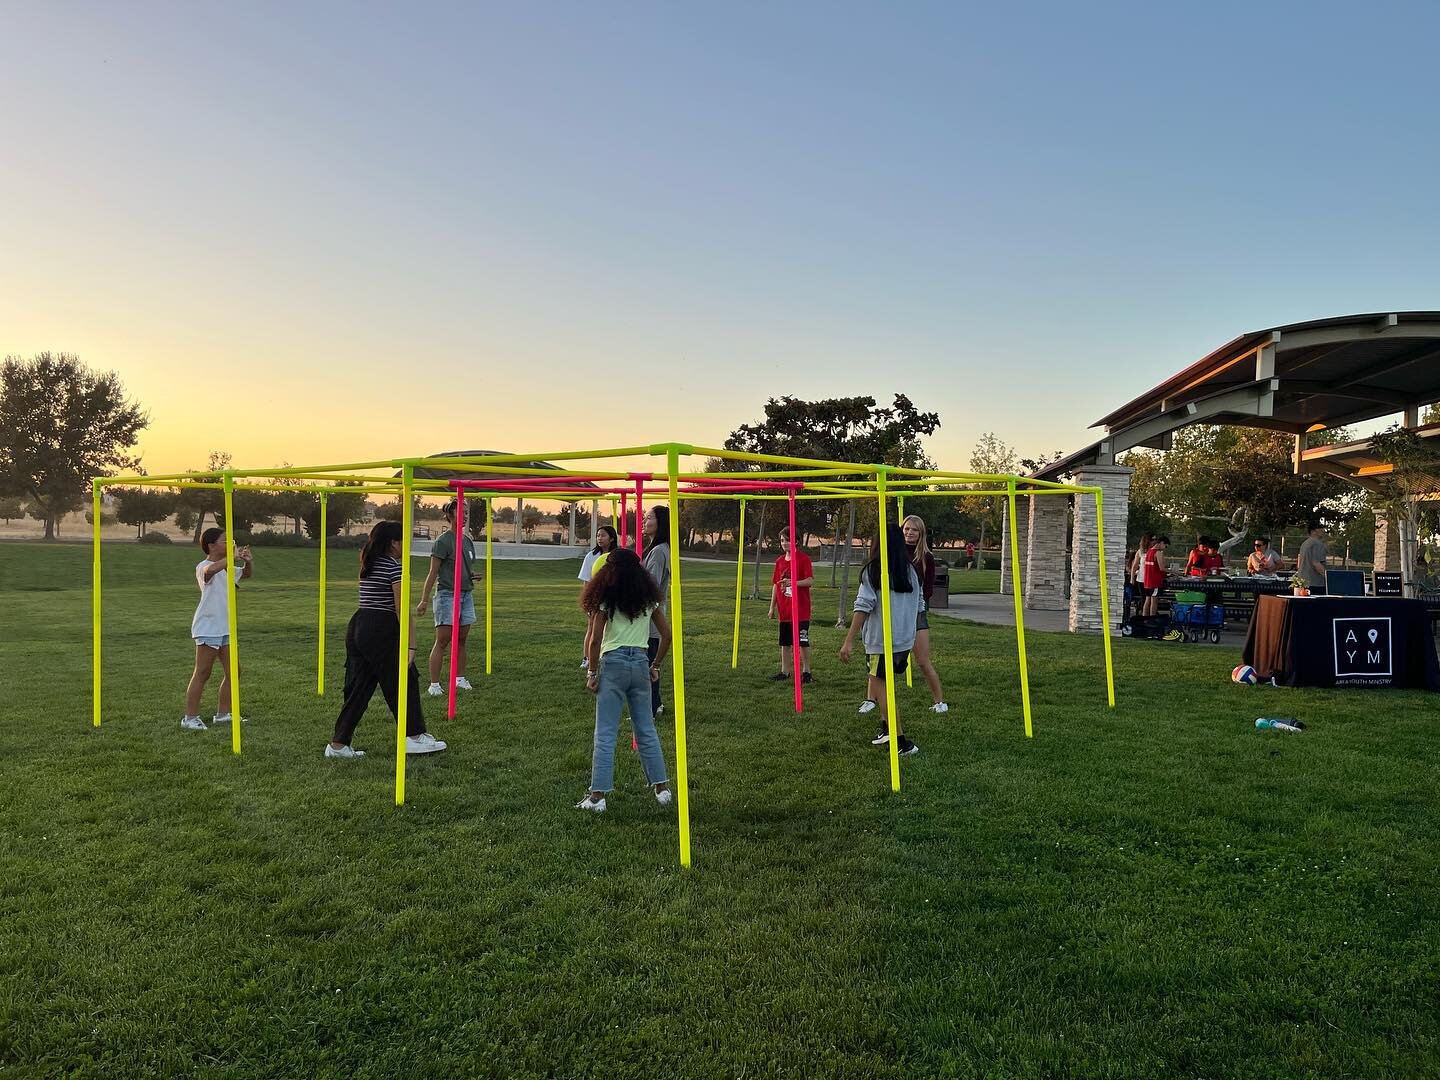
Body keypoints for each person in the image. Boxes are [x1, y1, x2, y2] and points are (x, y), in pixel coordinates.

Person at [327, 520, 447, 759]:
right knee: (405, 680)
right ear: (393, 543)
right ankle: (413, 737)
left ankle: (338, 745)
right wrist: (411, 644)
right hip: (381, 628)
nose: (407, 545)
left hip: (359, 626)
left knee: (359, 687)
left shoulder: (369, 565)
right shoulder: (394, 569)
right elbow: (402, 610)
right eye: (404, 540)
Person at [575, 548, 673, 813]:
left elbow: (595, 640)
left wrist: (592, 673)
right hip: (641, 664)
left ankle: (597, 797)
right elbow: (667, 635)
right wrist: (656, 665)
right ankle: (662, 788)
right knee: (646, 729)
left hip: (613, 665)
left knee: (605, 733)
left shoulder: (606, 598)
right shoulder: (648, 599)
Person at [839, 525, 922, 757]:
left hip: (881, 641)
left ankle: (901, 741)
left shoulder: (873, 571)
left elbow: (863, 606)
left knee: (882, 690)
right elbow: (919, 604)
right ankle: (888, 729)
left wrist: (849, 640)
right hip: (904, 641)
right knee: (883, 686)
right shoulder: (910, 571)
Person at [180, 528, 253, 731]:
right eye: (225, 541)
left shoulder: (228, 568)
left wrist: (247, 561)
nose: (230, 544)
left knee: (234, 672)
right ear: (211, 545)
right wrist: (232, 557)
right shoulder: (204, 566)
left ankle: (222, 715)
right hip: (208, 627)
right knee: (202, 673)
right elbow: (210, 572)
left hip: (225, 627)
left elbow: (246, 575)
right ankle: (190, 718)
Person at [415, 498, 478, 697]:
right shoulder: (443, 541)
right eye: (461, 511)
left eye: (467, 512)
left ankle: (459, 678)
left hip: (466, 594)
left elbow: (463, 567)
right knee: (442, 640)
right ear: (450, 514)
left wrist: (472, 576)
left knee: (462, 639)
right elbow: (433, 572)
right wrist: (424, 599)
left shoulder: (467, 541)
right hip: (447, 595)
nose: (465, 515)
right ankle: (434, 684)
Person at [767, 526, 815, 683]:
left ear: (796, 541)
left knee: (802, 641)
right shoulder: (779, 562)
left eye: (788, 540)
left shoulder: (803, 559)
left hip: (800, 610)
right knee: (785, 643)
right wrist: (772, 607)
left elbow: (809, 581)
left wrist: (793, 583)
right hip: (785, 610)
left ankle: (806, 672)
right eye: (782, 540)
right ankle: (785, 671)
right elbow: (776, 585)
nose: (785, 543)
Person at [641, 506, 671, 717]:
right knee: (649, 661)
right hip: (652, 615)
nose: (644, 520)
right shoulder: (657, 548)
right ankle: (656, 703)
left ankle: (650, 707)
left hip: (651, 617)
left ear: (660, 522)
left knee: (648, 664)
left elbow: (650, 586)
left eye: (649, 517)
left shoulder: (659, 551)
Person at [579, 525, 619, 669]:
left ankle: (603, 656)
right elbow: (586, 580)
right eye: (598, 536)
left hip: (613, 597)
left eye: (603, 535)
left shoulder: (617, 556)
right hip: (596, 597)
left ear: (612, 538)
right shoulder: (592, 556)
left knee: (610, 629)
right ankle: (587, 658)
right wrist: (588, 601)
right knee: (592, 628)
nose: (599, 538)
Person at [1295, 522, 1329, 594]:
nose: (1323, 530)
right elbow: (1316, 563)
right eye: (1320, 528)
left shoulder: (1304, 543)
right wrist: (1329, 578)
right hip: (1315, 584)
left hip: (1302, 583)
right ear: (1313, 531)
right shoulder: (1318, 544)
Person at [1141, 535, 1169, 617]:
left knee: (1147, 599)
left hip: (1147, 581)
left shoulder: (1149, 551)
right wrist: (1173, 572)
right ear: (1162, 543)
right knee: (1154, 601)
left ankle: (1144, 618)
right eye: (1165, 546)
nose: (1164, 548)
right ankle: (1152, 619)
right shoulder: (1158, 553)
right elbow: (1162, 568)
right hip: (1155, 581)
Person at [1128, 532, 1154, 620]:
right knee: (1145, 598)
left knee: (1150, 599)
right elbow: (1135, 565)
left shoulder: (1155, 551)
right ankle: (1144, 617)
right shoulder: (1140, 552)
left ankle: (1148, 616)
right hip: (1142, 578)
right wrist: (1132, 578)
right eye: (1152, 540)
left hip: (1151, 579)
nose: (1154, 542)